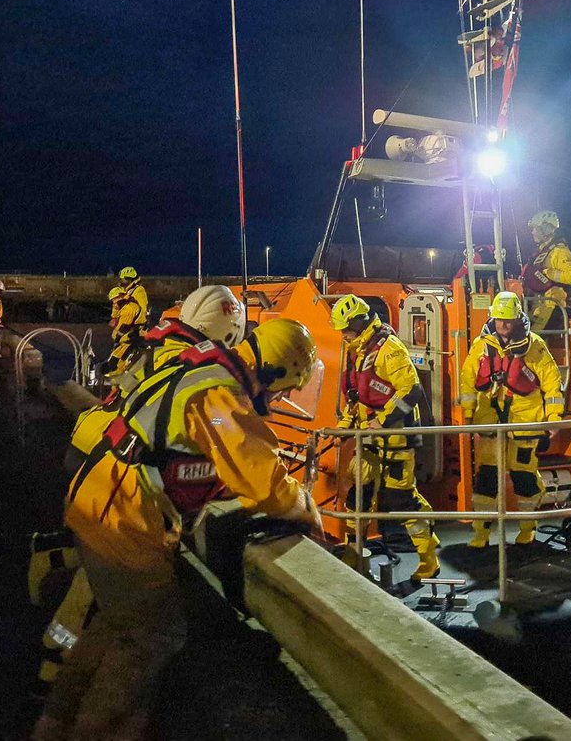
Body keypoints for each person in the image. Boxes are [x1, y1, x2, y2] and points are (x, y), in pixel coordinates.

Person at [31, 318, 321, 741]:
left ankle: (53, 724)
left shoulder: (202, 368)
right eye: (284, 387)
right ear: (274, 370)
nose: (280, 398)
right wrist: (306, 510)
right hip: (123, 519)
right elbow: (263, 481)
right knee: (155, 632)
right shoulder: (219, 394)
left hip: (100, 501)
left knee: (118, 623)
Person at [29, 285, 247, 691]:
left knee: (99, 569)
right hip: (112, 470)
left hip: (92, 447)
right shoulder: (195, 368)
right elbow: (189, 435)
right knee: (114, 582)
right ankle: (59, 661)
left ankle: (56, 641)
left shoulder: (161, 348)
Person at [328, 294, 439, 582]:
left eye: (345, 329)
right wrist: (344, 426)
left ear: (358, 322)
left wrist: (383, 421)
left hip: (397, 438)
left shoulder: (389, 349)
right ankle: (354, 554)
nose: (343, 335)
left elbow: (411, 390)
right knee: (358, 497)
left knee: (402, 499)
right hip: (369, 438)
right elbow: (358, 397)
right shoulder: (359, 350)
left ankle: (429, 558)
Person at [459, 291, 562, 548]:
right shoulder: (480, 345)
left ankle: (528, 527)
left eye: (508, 320)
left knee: (523, 475)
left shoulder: (535, 345)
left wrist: (553, 419)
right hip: (491, 419)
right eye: (499, 320)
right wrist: (469, 415)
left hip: (524, 421)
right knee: (487, 475)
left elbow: (552, 383)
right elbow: (468, 381)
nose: (503, 325)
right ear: (492, 318)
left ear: (518, 319)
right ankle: (481, 532)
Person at [522, 210, 571, 333]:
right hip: (537, 304)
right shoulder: (541, 251)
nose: (533, 232)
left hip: (550, 305)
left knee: (533, 338)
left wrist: (548, 273)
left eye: (535, 229)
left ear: (545, 229)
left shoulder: (559, 250)